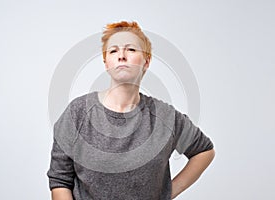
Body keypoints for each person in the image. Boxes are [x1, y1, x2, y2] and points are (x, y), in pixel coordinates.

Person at [47, 21, 215, 200]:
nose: (121, 56)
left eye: (131, 49)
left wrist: (166, 193)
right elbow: (60, 181)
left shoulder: (165, 117)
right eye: (113, 50)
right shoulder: (77, 113)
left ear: (146, 61)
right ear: (106, 63)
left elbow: (204, 151)